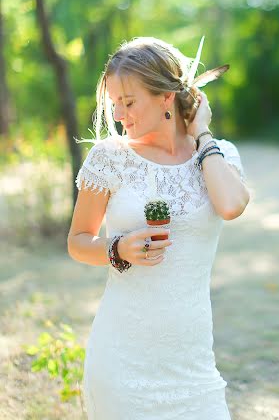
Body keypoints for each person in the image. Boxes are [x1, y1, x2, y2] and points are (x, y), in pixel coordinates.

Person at [67, 36, 250, 420]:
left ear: (166, 97)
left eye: (128, 102)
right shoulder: (109, 159)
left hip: (193, 362)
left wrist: (202, 135)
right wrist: (116, 249)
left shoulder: (217, 154)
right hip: (121, 360)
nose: (119, 114)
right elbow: (78, 241)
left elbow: (232, 205)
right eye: (114, 103)